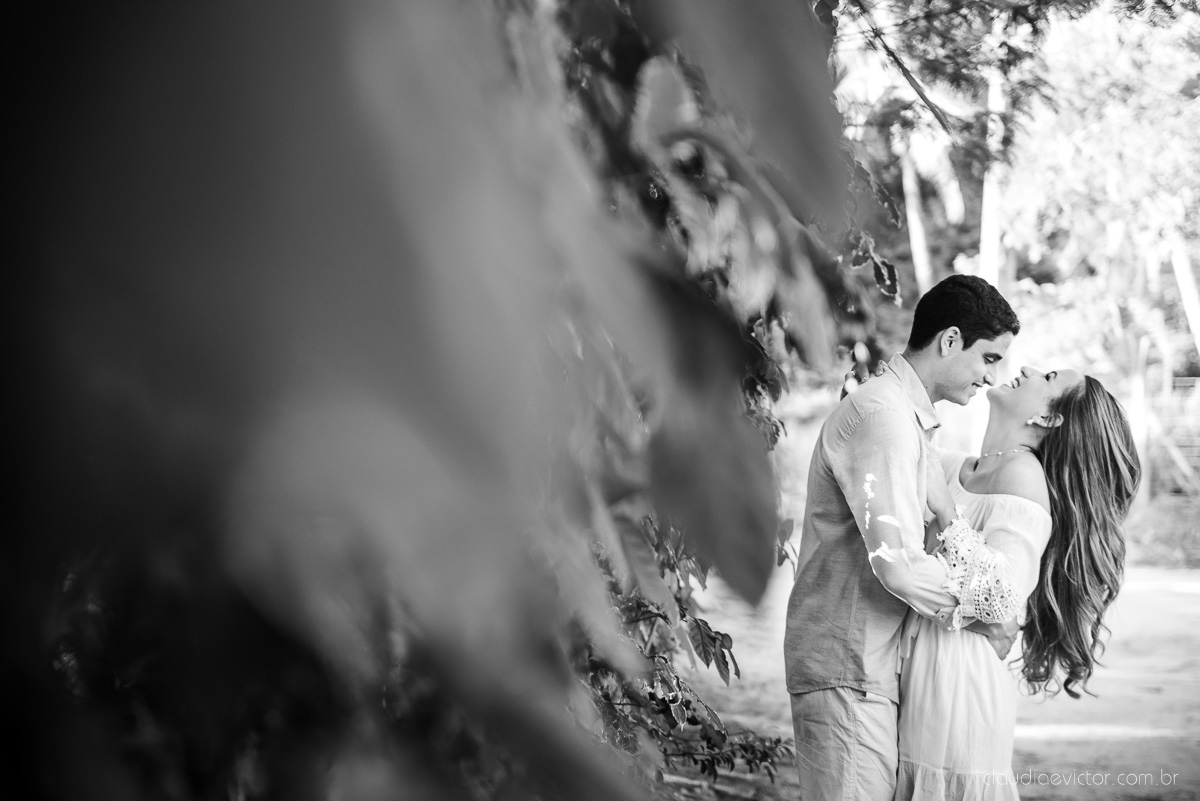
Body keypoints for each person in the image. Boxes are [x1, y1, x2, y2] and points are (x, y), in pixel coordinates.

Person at [784, 275, 1021, 801]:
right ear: (951, 340)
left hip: (868, 667)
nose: (991, 378)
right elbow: (898, 564)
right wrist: (986, 613)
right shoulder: (883, 417)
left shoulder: (904, 419)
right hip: (845, 668)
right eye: (989, 358)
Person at [894, 367, 1141, 800]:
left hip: (959, 687)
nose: (1025, 370)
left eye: (1046, 377)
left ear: (1048, 419)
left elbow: (999, 598)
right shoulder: (959, 467)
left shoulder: (1022, 478)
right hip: (918, 669)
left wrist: (946, 511)